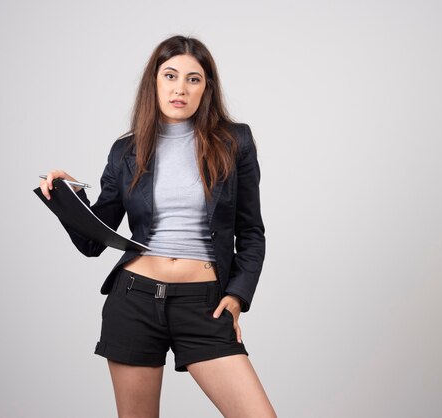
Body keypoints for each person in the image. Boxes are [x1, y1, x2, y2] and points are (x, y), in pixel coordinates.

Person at [39, 35, 276, 418]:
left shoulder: (235, 142)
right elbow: (92, 241)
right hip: (133, 300)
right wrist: (68, 199)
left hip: (205, 305)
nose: (180, 88)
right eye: (170, 75)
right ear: (155, 81)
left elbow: (251, 232)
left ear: (207, 88)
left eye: (193, 79)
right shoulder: (127, 151)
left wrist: (237, 296)